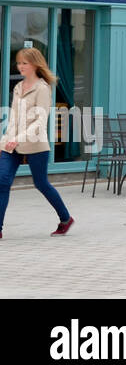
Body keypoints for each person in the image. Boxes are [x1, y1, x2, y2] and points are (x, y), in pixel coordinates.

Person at [0, 47, 73, 239]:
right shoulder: (17, 87)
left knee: (41, 183)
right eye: (19, 63)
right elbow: (14, 119)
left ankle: (65, 219)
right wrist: (5, 141)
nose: (20, 66)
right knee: (2, 181)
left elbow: (40, 121)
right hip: (12, 145)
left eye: (24, 63)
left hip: (35, 144)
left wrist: (19, 138)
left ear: (35, 64)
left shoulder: (42, 88)